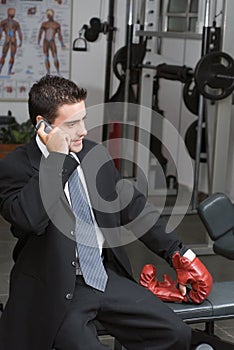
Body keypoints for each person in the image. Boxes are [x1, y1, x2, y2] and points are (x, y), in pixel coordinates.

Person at [0, 75, 212, 350]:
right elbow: (28, 219)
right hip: (53, 286)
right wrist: (57, 161)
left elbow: (133, 207)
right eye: (72, 124)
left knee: (176, 334)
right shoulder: (15, 166)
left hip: (103, 276)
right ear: (43, 126)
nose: (84, 131)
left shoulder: (93, 154)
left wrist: (178, 252)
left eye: (84, 120)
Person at [37, 9, 65, 75]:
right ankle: (48, 72)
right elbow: (40, 33)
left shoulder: (56, 24)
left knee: (55, 57)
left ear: (53, 15)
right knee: (46, 57)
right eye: (48, 15)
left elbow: (59, 35)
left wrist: (62, 44)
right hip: (45, 41)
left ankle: (58, 71)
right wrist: (38, 42)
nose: (49, 16)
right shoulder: (44, 24)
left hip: (52, 41)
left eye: (50, 15)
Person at [0, 7, 23, 75]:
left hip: (7, 39)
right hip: (13, 40)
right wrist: (20, 42)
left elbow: (0, 33)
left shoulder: (3, 22)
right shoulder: (16, 23)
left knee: (3, 55)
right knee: (12, 56)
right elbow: (19, 33)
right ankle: (9, 71)